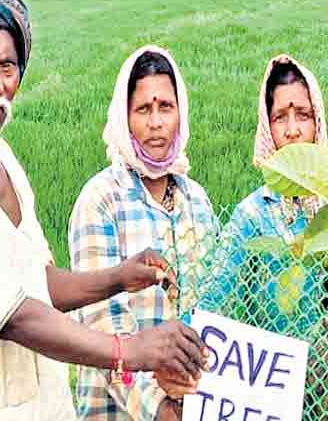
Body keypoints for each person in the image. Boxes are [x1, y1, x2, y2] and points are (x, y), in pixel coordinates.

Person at [0, 0, 205, 421]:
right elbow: (15, 316)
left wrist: (119, 277)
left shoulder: (4, 160)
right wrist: (129, 350)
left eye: (8, 66)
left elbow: (38, 283)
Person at [166, 55, 328, 421]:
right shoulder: (253, 218)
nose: (293, 130)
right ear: (268, 128)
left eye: (303, 114)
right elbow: (212, 302)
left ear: (318, 121)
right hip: (279, 406)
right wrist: (175, 353)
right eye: (280, 117)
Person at [69, 46, 218, 421]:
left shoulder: (196, 200)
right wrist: (161, 409)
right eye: (143, 109)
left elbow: (215, 305)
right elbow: (104, 327)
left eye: (165, 107)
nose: (155, 122)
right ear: (125, 117)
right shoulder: (101, 200)